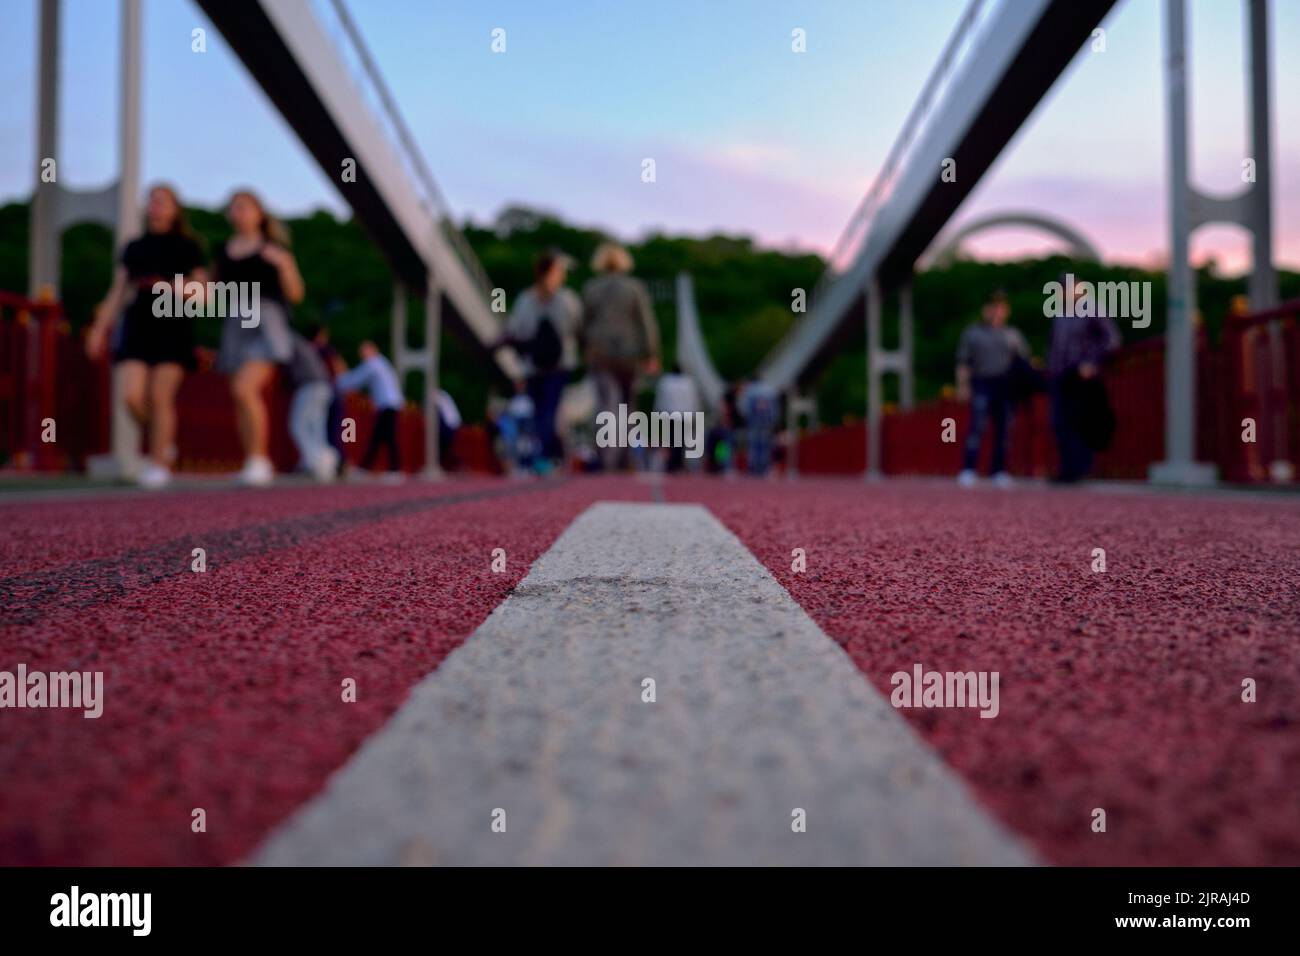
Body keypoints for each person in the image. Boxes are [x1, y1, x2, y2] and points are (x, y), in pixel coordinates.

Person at [86, 184, 206, 488]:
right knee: (131, 396)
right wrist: (100, 328)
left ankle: (158, 462)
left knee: (160, 397)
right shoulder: (134, 246)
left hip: (173, 322)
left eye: (162, 201)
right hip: (138, 323)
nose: (155, 206)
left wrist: (170, 286)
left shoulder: (188, 246)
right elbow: (117, 291)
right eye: (152, 200)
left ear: (175, 208)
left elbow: (203, 292)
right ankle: (162, 443)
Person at [211, 190, 304, 486]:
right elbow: (210, 292)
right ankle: (251, 458)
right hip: (235, 319)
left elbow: (296, 294)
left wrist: (285, 265)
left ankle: (260, 458)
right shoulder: (224, 251)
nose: (238, 212)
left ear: (259, 213)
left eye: (244, 207)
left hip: (266, 321)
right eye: (234, 208)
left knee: (244, 389)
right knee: (239, 397)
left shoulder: (272, 249)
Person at [581, 242, 660, 470]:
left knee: (606, 406)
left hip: (600, 354)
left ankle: (606, 457)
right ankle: (625, 459)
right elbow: (646, 322)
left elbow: (584, 323)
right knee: (627, 408)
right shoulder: (634, 288)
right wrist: (651, 354)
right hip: (630, 355)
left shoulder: (591, 288)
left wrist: (585, 347)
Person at [506, 248, 582, 473]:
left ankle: (544, 455)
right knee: (550, 409)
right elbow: (577, 326)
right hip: (560, 363)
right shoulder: (567, 299)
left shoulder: (525, 299)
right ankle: (547, 456)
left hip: (533, 364)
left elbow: (515, 331)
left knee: (540, 411)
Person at [1047, 279, 1122, 483]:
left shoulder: (1092, 309)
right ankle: (1068, 469)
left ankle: (1081, 469)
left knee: (1080, 420)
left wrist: (1091, 362)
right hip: (1060, 375)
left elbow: (1111, 339)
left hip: (1081, 374)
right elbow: (1053, 345)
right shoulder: (1061, 313)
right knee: (1060, 421)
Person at [954, 290, 1030, 488]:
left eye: (1000, 308)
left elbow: (1024, 363)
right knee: (976, 427)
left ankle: (999, 470)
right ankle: (968, 469)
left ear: (1006, 311)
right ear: (985, 310)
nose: (996, 312)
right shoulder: (972, 333)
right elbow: (963, 362)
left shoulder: (1013, 335)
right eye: (992, 307)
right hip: (982, 382)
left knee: (1004, 429)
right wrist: (963, 386)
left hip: (1005, 385)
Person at [336, 341, 403, 476]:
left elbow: (355, 380)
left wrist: (338, 380)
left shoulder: (373, 364)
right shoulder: (381, 362)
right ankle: (373, 468)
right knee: (381, 438)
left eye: (364, 351)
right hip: (390, 404)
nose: (363, 355)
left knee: (383, 438)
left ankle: (388, 469)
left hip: (387, 405)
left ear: (372, 350)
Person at [284, 332, 338, 482]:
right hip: (324, 386)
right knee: (316, 428)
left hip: (309, 386)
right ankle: (325, 460)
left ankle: (316, 461)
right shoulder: (304, 344)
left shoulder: (287, 340)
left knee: (298, 426)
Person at [307, 323, 347, 474]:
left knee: (318, 428)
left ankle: (322, 463)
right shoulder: (327, 350)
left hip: (313, 391)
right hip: (332, 390)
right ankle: (338, 463)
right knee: (334, 429)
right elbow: (340, 368)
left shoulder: (309, 349)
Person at [653, 364, 701, 473]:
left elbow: (660, 399)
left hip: (670, 415)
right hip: (684, 415)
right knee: (680, 441)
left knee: (671, 440)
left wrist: (657, 413)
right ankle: (677, 463)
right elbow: (693, 400)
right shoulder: (688, 383)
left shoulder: (666, 382)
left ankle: (672, 463)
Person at [739, 377, 780, 476]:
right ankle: (764, 468)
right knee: (765, 446)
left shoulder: (750, 391)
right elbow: (774, 409)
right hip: (766, 422)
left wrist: (746, 418)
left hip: (753, 422)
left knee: (753, 446)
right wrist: (773, 420)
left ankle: (753, 468)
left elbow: (744, 408)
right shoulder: (770, 390)